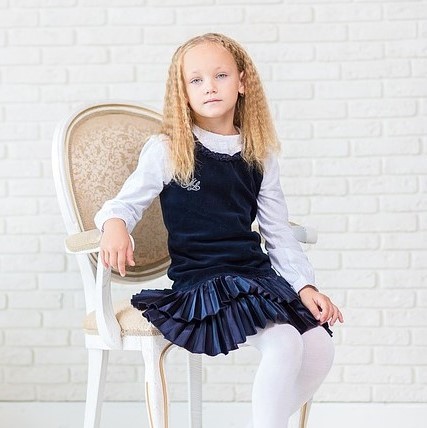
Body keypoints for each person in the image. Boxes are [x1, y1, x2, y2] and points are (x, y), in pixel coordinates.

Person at [94, 33, 343, 428]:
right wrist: (114, 225)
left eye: (220, 75)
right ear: (183, 92)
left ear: (242, 82)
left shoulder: (258, 153)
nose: (209, 86)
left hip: (255, 276)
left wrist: (305, 286)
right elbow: (125, 203)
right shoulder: (169, 148)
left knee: (319, 349)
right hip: (204, 279)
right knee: (283, 342)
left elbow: (277, 232)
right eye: (196, 80)